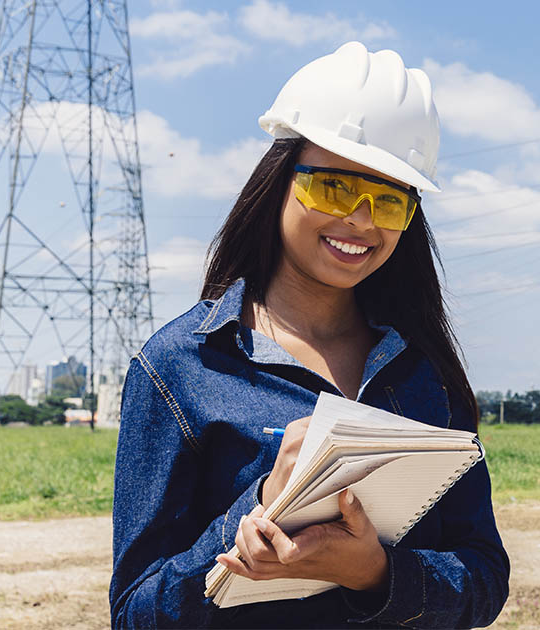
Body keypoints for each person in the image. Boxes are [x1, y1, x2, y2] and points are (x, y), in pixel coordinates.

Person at [109, 42, 509, 628]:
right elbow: (135, 614)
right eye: (336, 188)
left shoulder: (426, 375)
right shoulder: (181, 368)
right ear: (278, 181)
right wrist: (260, 509)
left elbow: (484, 581)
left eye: (391, 201)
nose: (362, 221)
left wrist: (373, 573)